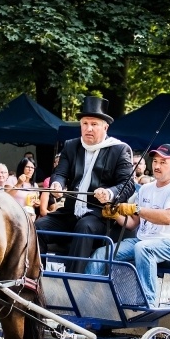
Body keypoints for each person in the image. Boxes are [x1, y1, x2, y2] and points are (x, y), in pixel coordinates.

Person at [36, 96, 134, 272]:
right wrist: (57, 185)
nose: (88, 128)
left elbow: (127, 185)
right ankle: (36, 280)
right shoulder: (71, 146)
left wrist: (110, 194)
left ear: (105, 126)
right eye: (85, 123)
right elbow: (60, 173)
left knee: (85, 226)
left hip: (101, 217)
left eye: (94, 124)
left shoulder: (119, 149)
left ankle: (72, 282)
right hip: (70, 212)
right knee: (37, 228)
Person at [86, 144, 170, 306]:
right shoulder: (145, 189)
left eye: (163, 162)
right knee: (101, 254)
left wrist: (136, 209)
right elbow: (133, 224)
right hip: (142, 241)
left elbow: (168, 218)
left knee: (143, 249)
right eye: (155, 161)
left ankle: (147, 302)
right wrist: (116, 214)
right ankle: (88, 303)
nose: (156, 166)